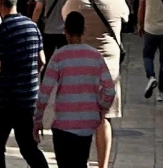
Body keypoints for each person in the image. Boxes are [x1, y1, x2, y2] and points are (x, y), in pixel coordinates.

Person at [62, 0, 130, 168]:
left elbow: (65, 13)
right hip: (108, 67)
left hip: (82, 65)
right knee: (103, 118)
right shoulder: (116, 0)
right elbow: (126, 16)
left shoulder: (77, 1)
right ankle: (102, 165)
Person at [33, 10, 115, 168]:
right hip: (86, 125)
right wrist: (100, 110)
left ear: (65, 30)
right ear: (84, 30)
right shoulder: (95, 56)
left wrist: (38, 119)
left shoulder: (59, 56)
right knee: (81, 162)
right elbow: (110, 91)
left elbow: (44, 92)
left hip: (63, 125)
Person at [0, 0, 48, 168]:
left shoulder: (2, 30)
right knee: (28, 147)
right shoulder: (32, 27)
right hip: (28, 100)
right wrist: (29, 78)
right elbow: (41, 60)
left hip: (6, 101)